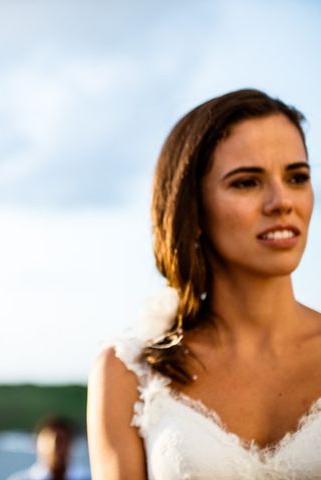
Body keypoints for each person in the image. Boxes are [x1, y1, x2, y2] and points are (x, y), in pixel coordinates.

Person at [87, 89, 321, 479]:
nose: (282, 202)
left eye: (297, 177)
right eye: (247, 183)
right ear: (191, 206)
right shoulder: (129, 373)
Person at [8, 416, 90, 480]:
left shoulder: (90, 477)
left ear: (71, 444)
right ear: (35, 444)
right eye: (47, 440)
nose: (54, 446)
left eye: (61, 440)